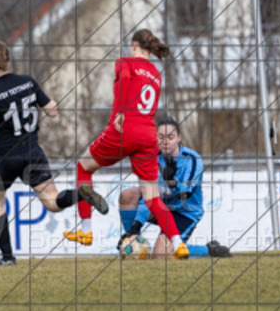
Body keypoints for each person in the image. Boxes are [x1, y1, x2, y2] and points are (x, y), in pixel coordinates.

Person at [0, 42, 108, 265]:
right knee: (52, 202)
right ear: (8, 60)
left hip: (3, 158)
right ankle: (80, 194)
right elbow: (52, 110)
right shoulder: (28, 82)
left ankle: (8, 258)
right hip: (33, 152)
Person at [63, 29, 188, 259]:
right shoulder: (156, 74)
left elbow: (123, 82)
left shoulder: (125, 62)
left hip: (125, 129)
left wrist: (117, 114)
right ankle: (179, 244)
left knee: (83, 166)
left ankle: (86, 231)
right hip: (148, 135)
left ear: (134, 45)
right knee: (152, 197)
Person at [117, 117, 232, 259]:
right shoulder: (152, 158)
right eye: (161, 137)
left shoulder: (192, 159)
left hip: (184, 212)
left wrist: (172, 182)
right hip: (161, 208)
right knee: (128, 195)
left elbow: (186, 194)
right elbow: (149, 196)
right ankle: (133, 244)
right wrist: (136, 225)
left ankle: (209, 250)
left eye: (170, 137)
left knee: (160, 255)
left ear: (179, 138)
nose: (165, 142)